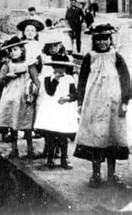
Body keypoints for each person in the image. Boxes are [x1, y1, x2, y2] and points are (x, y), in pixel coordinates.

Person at [73, 24, 130, 188]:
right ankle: (95, 174)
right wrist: (79, 102)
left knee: (112, 139)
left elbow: (125, 79)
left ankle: (112, 175)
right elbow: (82, 81)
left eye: (105, 39)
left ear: (110, 40)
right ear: (94, 40)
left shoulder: (116, 57)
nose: (102, 42)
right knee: (96, 139)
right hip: (94, 105)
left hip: (113, 104)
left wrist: (125, 101)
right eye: (99, 39)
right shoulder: (89, 57)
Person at [0, 36, 40, 159]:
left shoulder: (29, 64)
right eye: (10, 51)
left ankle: (30, 149)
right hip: (10, 96)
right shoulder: (7, 64)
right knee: (12, 122)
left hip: (25, 96)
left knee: (27, 123)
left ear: (22, 49)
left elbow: (36, 80)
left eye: (15, 49)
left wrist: (34, 91)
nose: (12, 53)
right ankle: (14, 149)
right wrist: (7, 76)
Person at [34, 54, 78, 169]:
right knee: (50, 136)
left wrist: (68, 98)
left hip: (63, 110)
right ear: (53, 67)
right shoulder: (48, 78)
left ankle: (64, 159)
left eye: (62, 67)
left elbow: (75, 94)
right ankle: (50, 159)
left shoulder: (69, 78)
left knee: (63, 136)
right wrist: (56, 80)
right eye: (57, 67)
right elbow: (50, 92)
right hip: (51, 110)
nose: (59, 70)